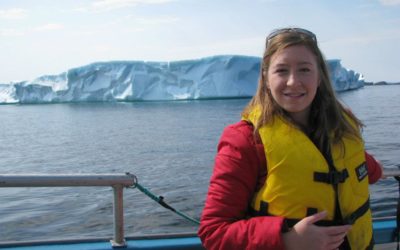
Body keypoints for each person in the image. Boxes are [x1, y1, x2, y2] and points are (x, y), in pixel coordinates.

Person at [198, 27, 383, 250]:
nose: (293, 81)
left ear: (320, 77)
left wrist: (374, 168)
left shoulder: (340, 129)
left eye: (304, 70)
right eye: (282, 70)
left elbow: (364, 168)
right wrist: (287, 239)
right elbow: (214, 232)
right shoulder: (246, 140)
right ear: (266, 78)